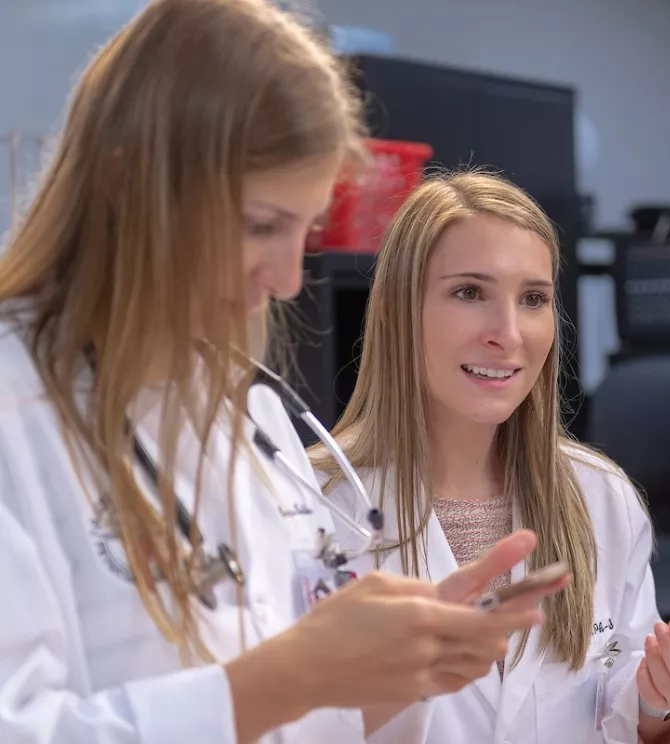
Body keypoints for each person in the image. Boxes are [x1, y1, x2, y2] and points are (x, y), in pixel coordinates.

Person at [0, 4, 570, 744]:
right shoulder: (17, 412)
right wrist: (292, 674)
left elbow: (286, 723)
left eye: (304, 231)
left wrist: (387, 678)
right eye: (261, 226)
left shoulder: (245, 421)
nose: (287, 277)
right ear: (127, 183)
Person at [310, 171, 670, 743]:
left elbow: (625, 710)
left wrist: (663, 704)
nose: (508, 333)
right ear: (390, 309)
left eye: (533, 299)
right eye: (469, 292)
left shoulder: (600, 495)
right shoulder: (313, 507)